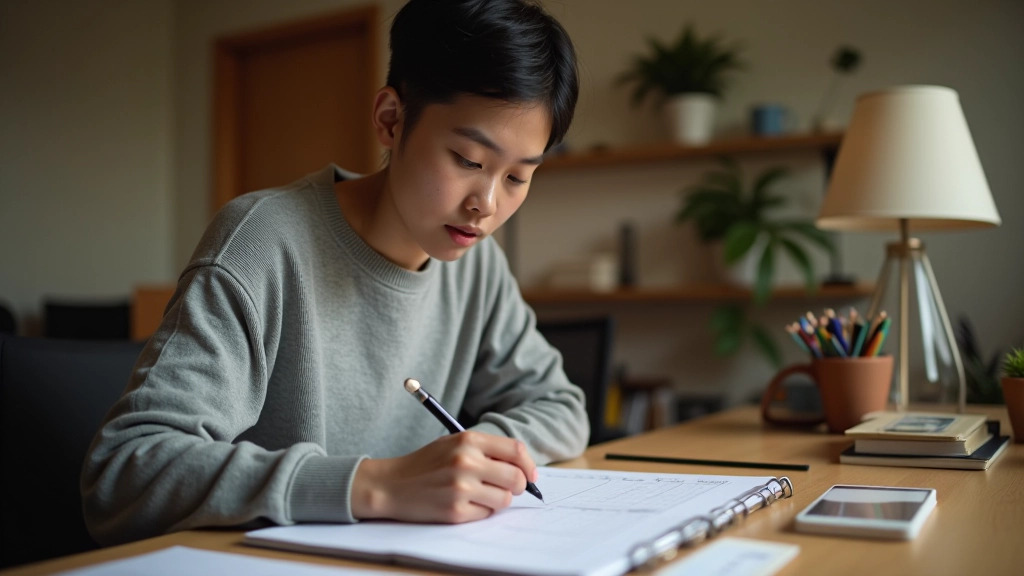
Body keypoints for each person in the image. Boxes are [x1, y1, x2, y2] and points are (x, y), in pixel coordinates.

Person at [81, 0, 588, 546]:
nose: (485, 204)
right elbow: (125, 473)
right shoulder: (263, 242)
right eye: (468, 160)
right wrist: (378, 484)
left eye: (517, 177)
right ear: (391, 120)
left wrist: (472, 458)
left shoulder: (477, 264)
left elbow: (561, 408)